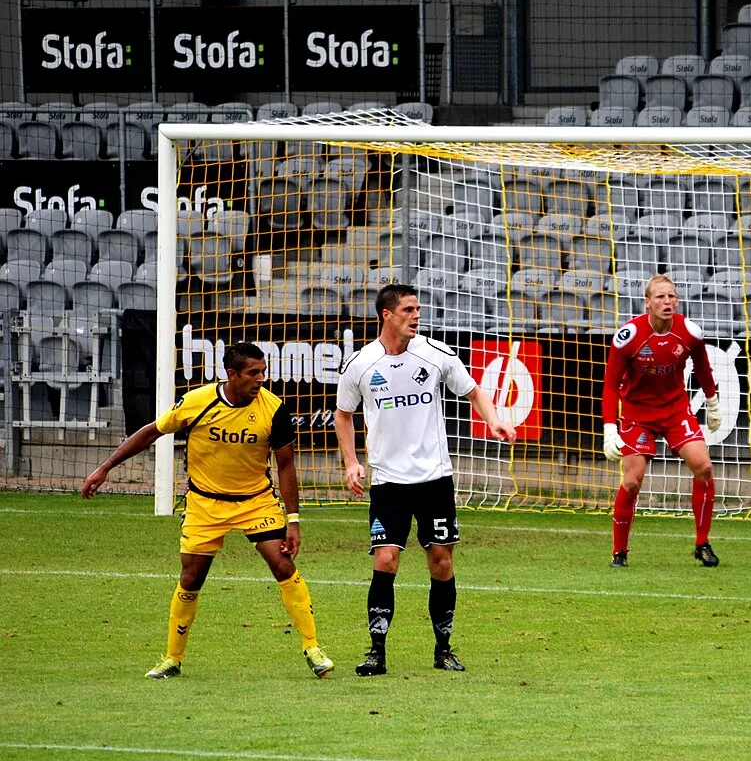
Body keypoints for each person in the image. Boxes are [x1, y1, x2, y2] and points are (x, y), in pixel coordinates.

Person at [81, 342, 334, 680]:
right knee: (191, 577)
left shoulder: (273, 409)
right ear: (232, 374)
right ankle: (172, 659)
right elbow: (151, 432)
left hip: (254, 501)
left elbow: (286, 466)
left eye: (263, 372)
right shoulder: (198, 402)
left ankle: (313, 648)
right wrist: (105, 467)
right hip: (204, 503)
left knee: (282, 563)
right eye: (253, 373)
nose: (261, 379)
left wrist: (293, 521)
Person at [336, 283, 516, 677]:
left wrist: (496, 420)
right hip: (388, 482)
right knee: (386, 559)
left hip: (434, 478)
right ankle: (376, 652)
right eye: (408, 309)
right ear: (387, 314)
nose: (416, 315)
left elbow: (472, 391)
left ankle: (444, 650)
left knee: (441, 562)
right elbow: (344, 414)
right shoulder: (361, 364)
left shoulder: (436, 355)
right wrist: (351, 463)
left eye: (418, 309)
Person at [602, 274, 723, 568]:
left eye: (671, 296)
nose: (667, 301)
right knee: (632, 481)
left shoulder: (690, 333)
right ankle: (620, 552)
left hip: (675, 410)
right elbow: (610, 384)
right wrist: (609, 429)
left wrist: (712, 401)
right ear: (647, 303)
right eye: (660, 297)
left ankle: (702, 543)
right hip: (637, 414)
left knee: (703, 466)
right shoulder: (628, 336)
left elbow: (703, 368)